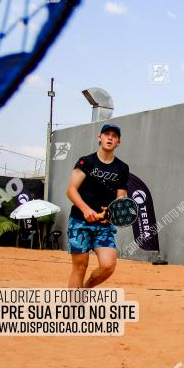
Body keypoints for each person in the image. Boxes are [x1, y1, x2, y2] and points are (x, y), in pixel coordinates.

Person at [65, 123, 129, 288]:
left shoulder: (122, 168)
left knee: (108, 265)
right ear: (99, 138)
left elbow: (120, 197)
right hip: (80, 221)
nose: (110, 138)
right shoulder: (86, 162)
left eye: (114, 136)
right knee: (80, 266)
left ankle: (85, 289)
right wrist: (86, 210)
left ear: (118, 142)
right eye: (106, 134)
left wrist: (113, 210)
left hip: (104, 225)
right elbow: (71, 190)